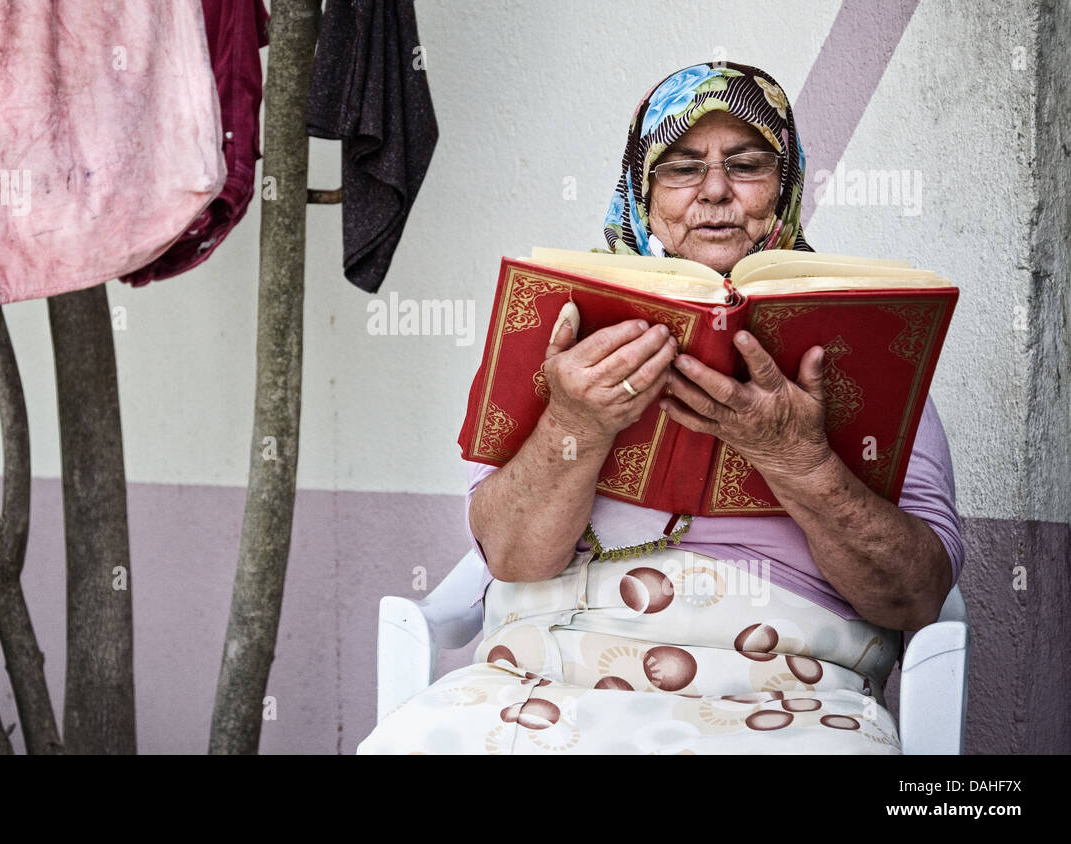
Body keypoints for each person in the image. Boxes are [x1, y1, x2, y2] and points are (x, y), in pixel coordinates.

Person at [357, 62, 964, 754]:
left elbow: (914, 597)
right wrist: (573, 424)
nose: (714, 191)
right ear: (643, 196)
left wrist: (799, 461)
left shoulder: (859, 348)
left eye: (746, 164)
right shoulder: (562, 331)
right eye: (680, 167)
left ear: (787, 184)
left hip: (783, 695)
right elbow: (511, 556)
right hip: (551, 674)